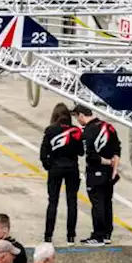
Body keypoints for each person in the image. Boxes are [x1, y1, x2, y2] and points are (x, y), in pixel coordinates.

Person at [40, 103, 83, 245]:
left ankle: (48, 236)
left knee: (53, 201)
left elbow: (43, 152)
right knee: (72, 202)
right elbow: (81, 152)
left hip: (56, 168)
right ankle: (71, 235)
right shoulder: (76, 131)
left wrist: (49, 166)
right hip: (72, 168)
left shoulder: (50, 130)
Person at [80, 105, 119, 246]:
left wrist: (108, 162)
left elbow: (91, 156)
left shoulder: (88, 131)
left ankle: (99, 236)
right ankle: (107, 234)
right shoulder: (109, 127)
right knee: (107, 202)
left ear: (81, 115)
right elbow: (117, 148)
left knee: (97, 204)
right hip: (109, 173)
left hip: (96, 172)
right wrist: (114, 166)